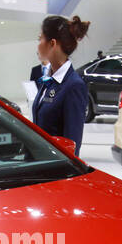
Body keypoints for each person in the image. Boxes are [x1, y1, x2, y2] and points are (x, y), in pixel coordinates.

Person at [31, 14, 90, 156]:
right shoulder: (49, 79)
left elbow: (72, 144)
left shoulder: (74, 85)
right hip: (39, 166)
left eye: (40, 39)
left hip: (54, 170)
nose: (38, 43)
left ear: (52, 44)